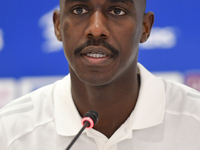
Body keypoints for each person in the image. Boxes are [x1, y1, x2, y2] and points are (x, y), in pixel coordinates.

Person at [1, 0, 200, 149]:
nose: (96, 30)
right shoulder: (10, 132)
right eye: (79, 10)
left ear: (145, 28)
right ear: (58, 25)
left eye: (117, 10)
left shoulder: (195, 121)